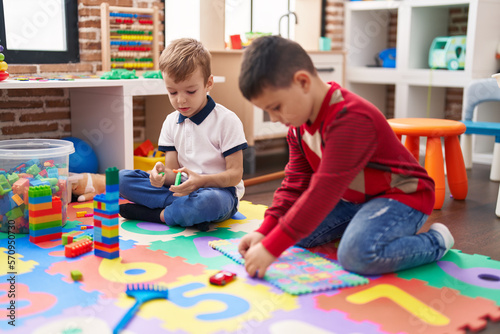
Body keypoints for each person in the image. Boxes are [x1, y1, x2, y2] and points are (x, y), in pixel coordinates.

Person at [237, 36, 454, 277]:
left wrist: (271, 248)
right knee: (297, 233)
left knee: (356, 255)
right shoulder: (297, 127)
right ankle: (366, 225)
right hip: (354, 201)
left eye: (275, 107)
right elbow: (294, 185)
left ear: (302, 82)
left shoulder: (351, 119)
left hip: (403, 197)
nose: (274, 118)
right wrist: (265, 231)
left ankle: (436, 241)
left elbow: (322, 193)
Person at [119, 38, 248, 231]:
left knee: (208, 202)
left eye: (190, 91)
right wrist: (160, 176)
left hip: (219, 193)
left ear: (208, 83)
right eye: (172, 92)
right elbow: (173, 174)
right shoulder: (171, 122)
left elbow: (235, 175)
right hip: (180, 192)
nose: (180, 100)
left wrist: (201, 182)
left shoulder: (227, 121)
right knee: (122, 179)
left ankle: (157, 215)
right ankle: (184, 214)